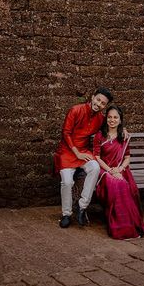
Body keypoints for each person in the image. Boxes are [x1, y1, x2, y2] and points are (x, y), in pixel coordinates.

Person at [54, 87, 113, 228]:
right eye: (98, 100)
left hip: (83, 152)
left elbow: (111, 127)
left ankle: (82, 206)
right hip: (67, 152)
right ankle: (66, 214)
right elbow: (66, 133)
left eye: (103, 103)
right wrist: (77, 153)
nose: (99, 104)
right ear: (92, 97)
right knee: (67, 182)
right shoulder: (76, 110)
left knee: (95, 167)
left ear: (105, 106)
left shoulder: (100, 119)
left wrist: (123, 129)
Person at [94, 105, 144, 240]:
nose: (112, 120)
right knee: (117, 185)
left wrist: (119, 169)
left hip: (120, 169)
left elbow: (127, 157)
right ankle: (121, 228)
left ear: (120, 120)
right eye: (109, 117)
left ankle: (132, 226)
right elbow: (96, 157)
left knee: (126, 186)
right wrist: (110, 171)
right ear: (106, 119)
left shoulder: (123, 136)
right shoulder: (100, 135)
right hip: (104, 170)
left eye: (115, 117)